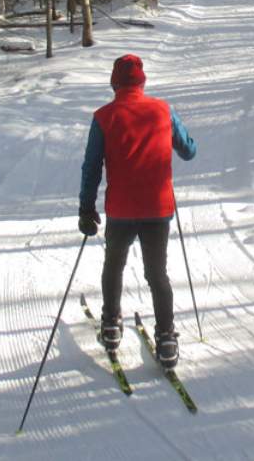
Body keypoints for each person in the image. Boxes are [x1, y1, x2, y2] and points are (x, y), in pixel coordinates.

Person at [79, 54, 197, 369]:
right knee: (157, 273)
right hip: (158, 207)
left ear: (114, 83)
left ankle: (111, 325)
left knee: (114, 266)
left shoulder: (104, 116)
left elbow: (91, 168)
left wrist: (86, 209)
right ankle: (167, 338)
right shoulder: (162, 110)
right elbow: (188, 151)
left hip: (120, 208)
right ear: (142, 82)